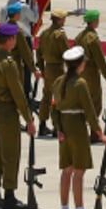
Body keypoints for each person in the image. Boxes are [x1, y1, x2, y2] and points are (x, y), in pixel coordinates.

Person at [52, 46, 106, 209]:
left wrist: (58, 128)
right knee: (79, 170)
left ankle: (64, 208)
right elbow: (89, 111)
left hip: (64, 125)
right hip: (77, 126)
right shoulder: (80, 83)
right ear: (79, 64)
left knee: (67, 169)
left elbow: (54, 108)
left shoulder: (58, 81)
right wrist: (99, 133)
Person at [0, 23, 32, 209]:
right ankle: (9, 194)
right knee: (11, 153)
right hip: (7, 111)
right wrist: (28, 119)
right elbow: (18, 93)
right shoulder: (8, 63)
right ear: (10, 40)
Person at [36, 8, 69, 136]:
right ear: (59, 20)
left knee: (46, 97)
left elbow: (38, 52)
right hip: (58, 68)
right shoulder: (59, 35)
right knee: (58, 98)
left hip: (48, 68)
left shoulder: (45, 33)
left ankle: (42, 124)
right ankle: (57, 127)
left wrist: (42, 68)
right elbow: (66, 53)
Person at [74, 9, 106, 117]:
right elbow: (100, 60)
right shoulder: (92, 39)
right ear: (94, 21)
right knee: (94, 101)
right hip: (91, 73)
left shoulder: (79, 36)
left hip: (80, 71)